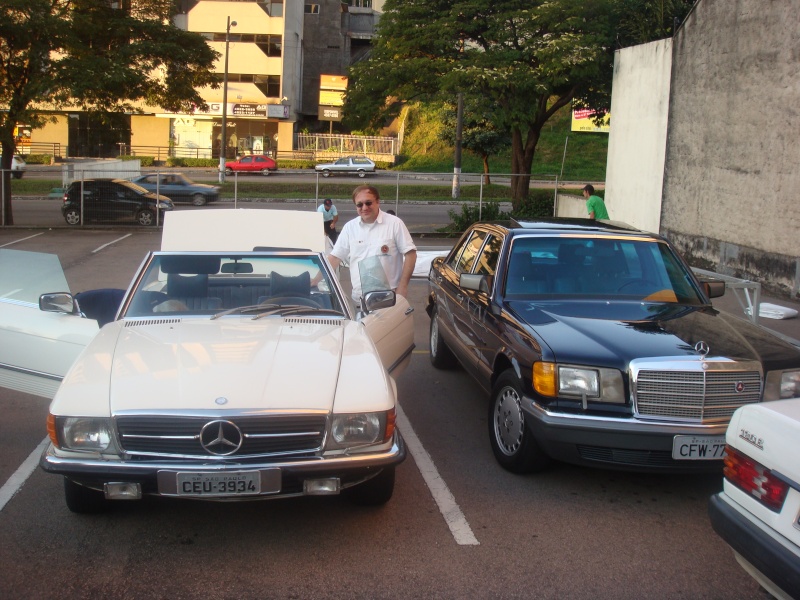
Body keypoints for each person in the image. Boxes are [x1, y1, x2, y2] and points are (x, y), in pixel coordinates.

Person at [327, 185, 417, 301]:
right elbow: (335, 257)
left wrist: (403, 287)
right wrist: (314, 280)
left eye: (368, 203)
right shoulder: (350, 228)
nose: (364, 208)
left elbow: (411, 254)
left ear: (378, 202)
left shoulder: (395, 224)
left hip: (390, 298)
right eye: (359, 204)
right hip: (359, 299)